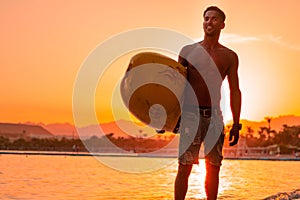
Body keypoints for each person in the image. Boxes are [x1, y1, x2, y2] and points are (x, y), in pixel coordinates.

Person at [174, 6, 242, 200]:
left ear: (222, 24)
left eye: (213, 19)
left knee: (213, 167)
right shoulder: (188, 51)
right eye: (206, 18)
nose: (208, 22)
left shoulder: (229, 56)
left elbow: (234, 90)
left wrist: (236, 124)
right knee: (184, 166)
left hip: (214, 116)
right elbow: (175, 85)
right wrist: (168, 117)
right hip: (189, 115)